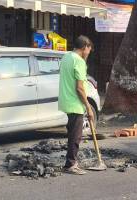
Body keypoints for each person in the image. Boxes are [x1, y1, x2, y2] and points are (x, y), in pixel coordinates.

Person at [58, 35, 94, 175]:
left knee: (72, 134)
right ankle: (70, 165)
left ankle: (71, 162)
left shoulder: (67, 57)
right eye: (89, 49)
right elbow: (80, 88)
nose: (89, 53)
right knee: (75, 136)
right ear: (85, 47)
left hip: (66, 101)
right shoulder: (78, 61)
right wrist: (88, 107)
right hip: (75, 103)